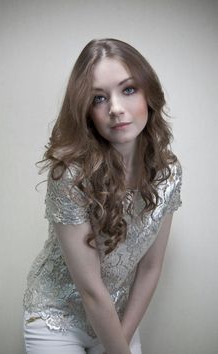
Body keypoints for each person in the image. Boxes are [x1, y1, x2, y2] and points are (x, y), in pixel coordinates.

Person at [23, 38, 182, 354]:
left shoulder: (169, 173)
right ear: (86, 111)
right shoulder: (70, 176)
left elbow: (150, 268)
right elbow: (90, 288)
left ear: (148, 93)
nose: (116, 109)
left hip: (117, 315)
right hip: (58, 315)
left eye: (128, 89)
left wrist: (119, 342)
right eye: (98, 98)